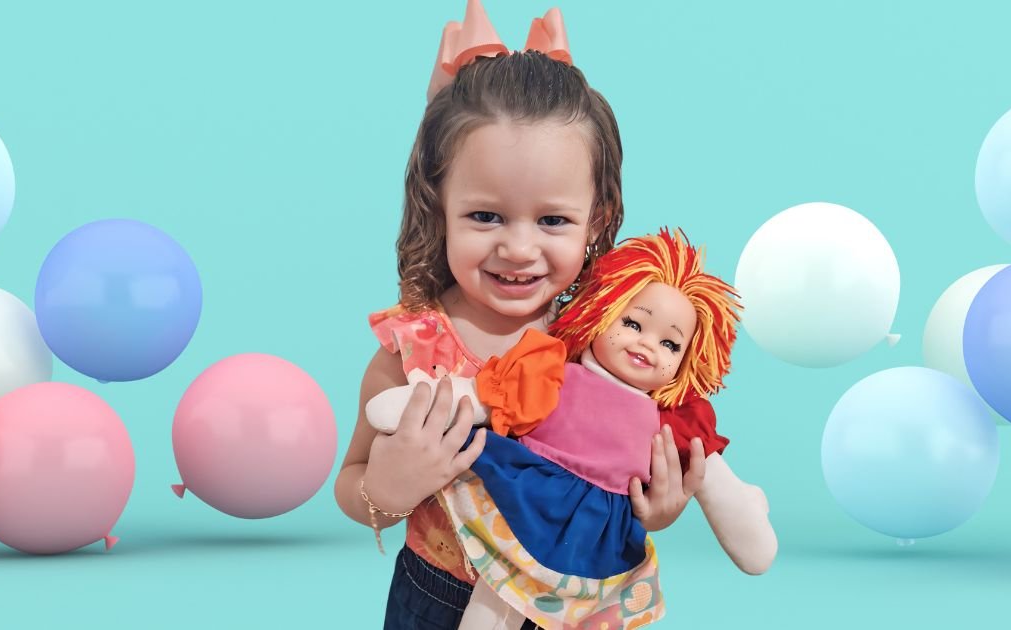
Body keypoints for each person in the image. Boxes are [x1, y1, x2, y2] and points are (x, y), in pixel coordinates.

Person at [332, 2, 705, 628]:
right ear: (438, 207)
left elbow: (626, 462)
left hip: (573, 601)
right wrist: (387, 491)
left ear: (597, 219)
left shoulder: (601, 338)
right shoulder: (416, 349)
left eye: (553, 220)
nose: (518, 248)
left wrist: (658, 508)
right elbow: (352, 481)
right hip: (441, 598)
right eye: (485, 216)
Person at [367, 229, 778, 629]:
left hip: (594, 538)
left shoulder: (674, 421)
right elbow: (482, 396)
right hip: (526, 500)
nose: (647, 345)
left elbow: (715, 485)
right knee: (500, 593)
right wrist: (412, 406)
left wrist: (735, 508)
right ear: (601, 309)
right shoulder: (552, 369)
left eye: (670, 344)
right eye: (634, 324)